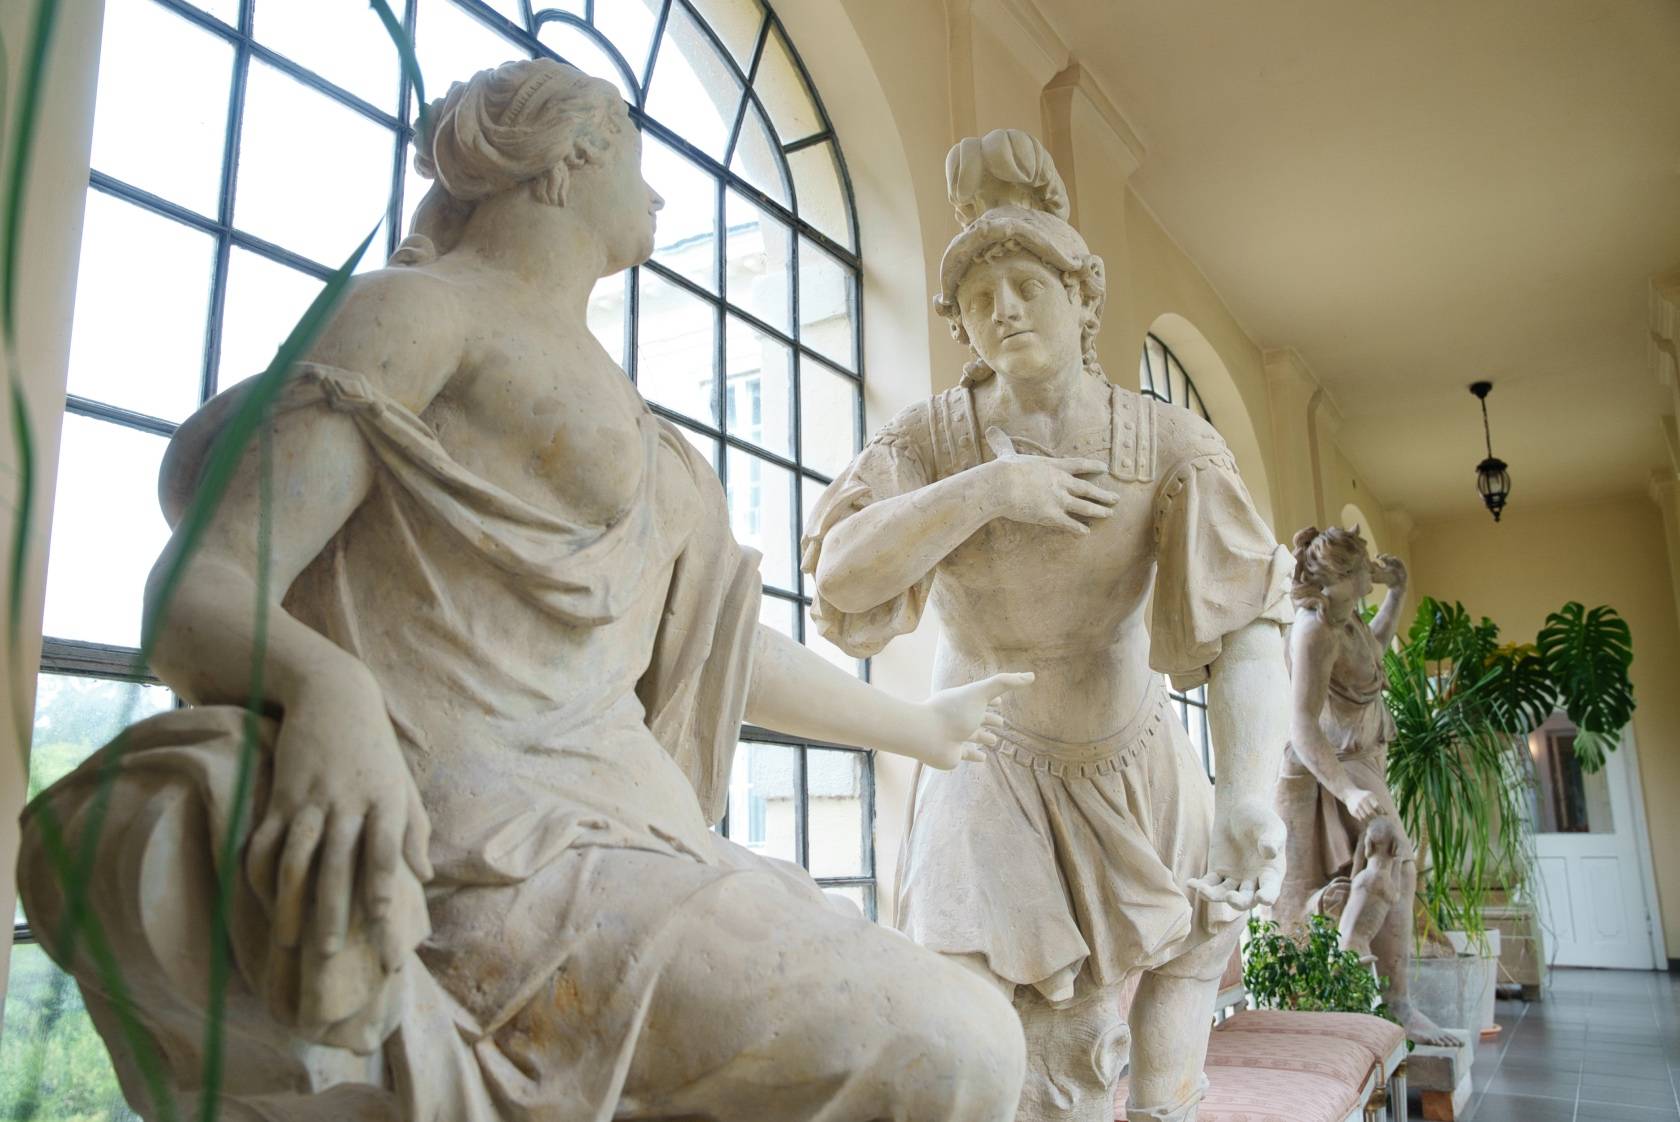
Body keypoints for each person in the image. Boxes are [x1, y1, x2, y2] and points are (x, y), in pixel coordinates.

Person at [18, 59, 1031, 1122]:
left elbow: (720, 649)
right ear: (568, 158)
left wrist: (915, 726)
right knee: (954, 1044)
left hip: (650, 848)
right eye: (634, 151)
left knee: (966, 1037)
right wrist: (330, 693)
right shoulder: (421, 315)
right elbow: (203, 587)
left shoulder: (643, 427)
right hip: (505, 864)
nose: (657, 190)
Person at [803, 130, 1293, 1122]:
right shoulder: (930, 439)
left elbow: (1249, 625)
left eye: (1029, 285)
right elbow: (841, 577)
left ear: (1083, 300)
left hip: (1135, 752)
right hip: (989, 759)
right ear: (962, 325)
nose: (1006, 309)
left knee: (1194, 949)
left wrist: (1248, 795)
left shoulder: (1168, 440)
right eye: (981, 298)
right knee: (977, 1028)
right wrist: (990, 490)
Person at [1274, 524, 1463, 1046]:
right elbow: (1302, 724)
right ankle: (1394, 1001)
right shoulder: (1313, 631)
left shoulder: (1346, 616)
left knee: (1394, 865)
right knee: (1394, 857)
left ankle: (1382, 994)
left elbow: (1369, 656)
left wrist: (1397, 593)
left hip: (1365, 759)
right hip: (1337, 762)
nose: (1369, 573)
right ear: (1337, 578)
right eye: (1361, 568)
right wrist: (1347, 791)